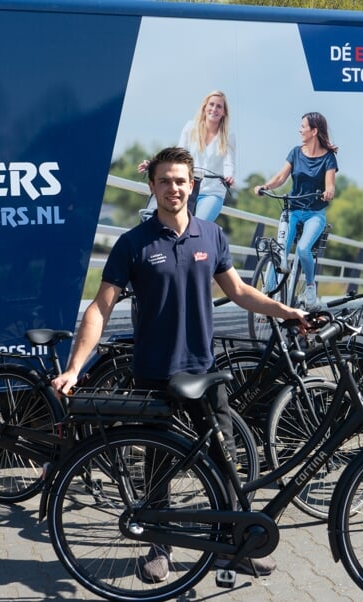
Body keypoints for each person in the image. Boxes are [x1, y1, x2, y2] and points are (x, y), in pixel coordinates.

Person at [52, 146, 305, 583]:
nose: (174, 188)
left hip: (204, 371)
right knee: (158, 463)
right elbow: (100, 307)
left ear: (193, 186)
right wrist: (75, 366)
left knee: (224, 459)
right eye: (165, 180)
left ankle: (235, 545)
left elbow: (240, 292)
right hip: (154, 370)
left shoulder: (212, 235)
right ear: (152, 186)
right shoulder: (134, 243)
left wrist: (287, 312)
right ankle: (159, 546)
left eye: (181, 181)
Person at [256, 111, 338, 309]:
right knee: (279, 250)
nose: (300, 130)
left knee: (302, 249)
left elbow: (330, 185)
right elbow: (281, 177)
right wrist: (265, 186)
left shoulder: (328, 158)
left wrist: (328, 192)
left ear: (314, 131)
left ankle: (310, 287)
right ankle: (267, 298)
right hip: (293, 210)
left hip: (314, 213)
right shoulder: (295, 152)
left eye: (303, 126)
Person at [140, 90, 236, 222]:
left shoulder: (228, 136)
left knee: (198, 225)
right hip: (188, 187)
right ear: (205, 107)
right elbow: (177, 155)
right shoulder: (191, 127)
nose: (214, 109)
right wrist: (154, 163)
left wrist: (229, 176)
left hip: (212, 191)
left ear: (224, 112)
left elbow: (229, 163)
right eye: (211, 104)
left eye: (219, 106)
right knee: (169, 220)